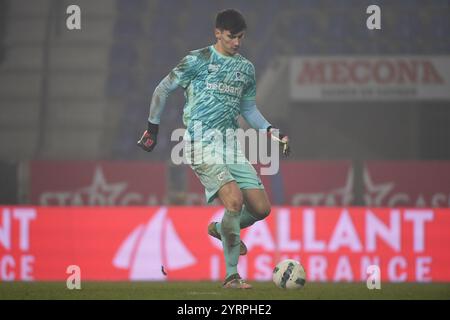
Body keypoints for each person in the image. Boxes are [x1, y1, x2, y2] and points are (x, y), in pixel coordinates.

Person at [138, 9, 290, 289]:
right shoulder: (197, 60)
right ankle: (232, 276)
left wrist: (271, 131)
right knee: (234, 202)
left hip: (231, 146)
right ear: (218, 33)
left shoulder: (246, 69)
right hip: (200, 143)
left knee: (261, 209)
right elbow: (162, 89)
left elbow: (249, 109)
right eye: (232, 37)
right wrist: (153, 129)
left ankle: (221, 229)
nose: (237, 43)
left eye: (241, 37)